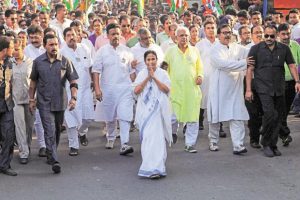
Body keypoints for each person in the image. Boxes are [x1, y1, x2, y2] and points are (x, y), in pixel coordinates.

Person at [246, 25, 300, 157]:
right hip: (263, 89)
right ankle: (266, 144)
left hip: (279, 88)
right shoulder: (255, 49)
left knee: (278, 117)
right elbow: (249, 70)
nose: (269, 38)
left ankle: (273, 145)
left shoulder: (284, 48)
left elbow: (292, 65)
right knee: (270, 115)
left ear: (276, 36)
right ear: (263, 35)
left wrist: (297, 81)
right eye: (266, 35)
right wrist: (248, 90)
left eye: (272, 36)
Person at [29, 34, 79, 173]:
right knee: (49, 130)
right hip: (44, 102)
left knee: (57, 130)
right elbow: (33, 82)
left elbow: (73, 81)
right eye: (51, 45)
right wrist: (31, 99)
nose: (54, 47)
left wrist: (74, 98)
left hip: (60, 102)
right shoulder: (38, 62)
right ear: (45, 46)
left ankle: (51, 153)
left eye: (56, 44)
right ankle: (55, 160)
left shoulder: (65, 61)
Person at [207, 24, 252, 154]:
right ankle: (213, 141)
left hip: (235, 89)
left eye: (229, 32)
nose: (227, 35)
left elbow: (251, 52)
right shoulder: (214, 49)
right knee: (215, 117)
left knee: (237, 115)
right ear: (218, 35)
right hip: (219, 89)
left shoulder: (237, 48)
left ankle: (238, 145)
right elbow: (223, 65)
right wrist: (244, 63)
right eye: (224, 32)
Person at [93, 23, 135, 155]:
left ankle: (124, 143)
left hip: (125, 89)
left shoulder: (127, 51)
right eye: (113, 34)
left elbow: (132, 73)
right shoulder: (102, 51)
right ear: (108, 36)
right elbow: (96, 72)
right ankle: (110, 138)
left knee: (124, 116)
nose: (116, 36)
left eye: (118, 33)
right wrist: (97, 89)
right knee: (110, 117)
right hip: (108, 89)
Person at [134, 50, 172, 179]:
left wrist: (154, 78)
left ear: (157, 60)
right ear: (145, 62)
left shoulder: (163, 73)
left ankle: (158, 167)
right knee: (148, 138)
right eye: (148, 60)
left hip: (158, 110)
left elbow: (166, 89)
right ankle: (148, 167)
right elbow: (136, 90)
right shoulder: (141, 74)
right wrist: (147, 78)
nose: (151, 62)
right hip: (145, 110)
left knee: (158, 138)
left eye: (153, 59)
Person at [164, 26, 203, 153]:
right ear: (176, 38)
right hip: (175, 90)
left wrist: (199, 76)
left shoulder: (194, 50)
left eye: (186, 35)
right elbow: (164, 68)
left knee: (192, 117)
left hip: (191, 90)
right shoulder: (170, 51)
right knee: (173, 117)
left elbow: (199, 67)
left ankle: (190, 144)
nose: (184, 38)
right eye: (181, 35)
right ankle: (173, 132)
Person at [61, 27, 94, 156]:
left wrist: (94, 83)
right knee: (71, 120)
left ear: (78, 36)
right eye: (68, 35)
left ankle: (82, 132)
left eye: (73, 34)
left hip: (85, 89)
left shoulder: (84, 48)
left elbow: (90, 67)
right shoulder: (62, 53)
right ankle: (73, 145)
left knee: (88, 118)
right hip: (70, 91)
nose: (71, 37)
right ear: (64, 38)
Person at [24, 25, 47, 157]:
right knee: (38, 119)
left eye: (36, 37)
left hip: (48, 87)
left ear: (42, 35)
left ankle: (50, 144)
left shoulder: (47, 47)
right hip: (33, 87)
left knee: (50, 118)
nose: (33, 40)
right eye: (31, 37)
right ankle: (42, 145)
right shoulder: (27, 50)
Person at [277, 23, 300, 146]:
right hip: (277, 83)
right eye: (283, 34)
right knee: (279, 110)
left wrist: (298, 81)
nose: (286, 36)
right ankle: (284, 134)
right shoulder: (274, 47)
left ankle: (281, 133)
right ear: (278, 35)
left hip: (292, 83)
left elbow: (297, 63)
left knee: (285, 111)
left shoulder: (295, 45)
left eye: (288, 33)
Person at [12, 38, 34, 164]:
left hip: (30, 99)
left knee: (29, 127)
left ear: (23, 48)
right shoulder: (9, 64)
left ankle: (27, 146)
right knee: (20, 127)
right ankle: (23, 153)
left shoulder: (30, 62)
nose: (15, 52)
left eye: (17, 49)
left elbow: (34, 81)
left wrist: (33, 99)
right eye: (13, 49)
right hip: (16, 100)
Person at [0, 36, 17, 176]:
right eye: (12, 47)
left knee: (9, 136)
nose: (14, 49)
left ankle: (4, 165)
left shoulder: (11, 62)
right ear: (5, 49)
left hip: (7, 105)